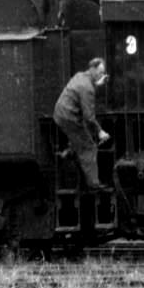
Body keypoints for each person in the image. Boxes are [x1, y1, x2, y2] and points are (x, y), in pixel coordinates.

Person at [54, 58, 111, 191]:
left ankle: (69, 151)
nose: (101, 75)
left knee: (83, 136)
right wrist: (100, 131)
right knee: (89, 147)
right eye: (100, 72)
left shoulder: (80, 76)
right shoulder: (88, 88)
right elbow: (89, 116)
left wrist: (97, 83)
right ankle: (94, 184)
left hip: (61, 114)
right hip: (70, 118)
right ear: (93, 69)